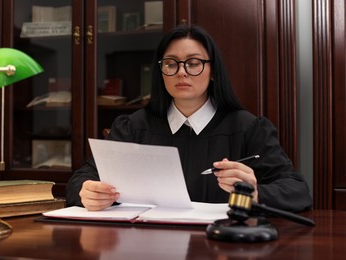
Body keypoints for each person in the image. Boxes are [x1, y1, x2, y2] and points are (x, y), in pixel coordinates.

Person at [66, 24, 312, 212]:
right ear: (161, 72)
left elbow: (297, 191)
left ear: (212, 71)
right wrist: (87, 192)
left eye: (193, 63)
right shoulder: (133, 126)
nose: (181, 72)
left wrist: (255, 194)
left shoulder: (248, 127)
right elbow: (82, 178)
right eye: (171, 64)